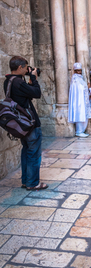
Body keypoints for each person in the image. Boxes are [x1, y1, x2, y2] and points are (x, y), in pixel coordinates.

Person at [4, 56, 48, 191]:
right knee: (34, 154)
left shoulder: (9, 81)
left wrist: (28, 80)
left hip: (21, 123)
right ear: (19, 67)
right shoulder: (18, 82)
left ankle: (26, 181)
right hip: (30, 124)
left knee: (26, 152)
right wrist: (34, 79)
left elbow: (25, 96)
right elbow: (36, 93)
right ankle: (33, 183)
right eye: (25, 67)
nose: (26, 70)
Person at [68, 62, 91, 138]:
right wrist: (86, 86)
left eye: (80, 70)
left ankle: (81, 131)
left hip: (83, 100)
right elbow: (78, 89)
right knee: (80, 115)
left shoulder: (80, 78)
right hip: (79, 101)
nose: (79, 72)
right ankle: (79, 131)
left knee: (84, 115)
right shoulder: (75, 79)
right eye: (77, 70)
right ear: (75, 71)